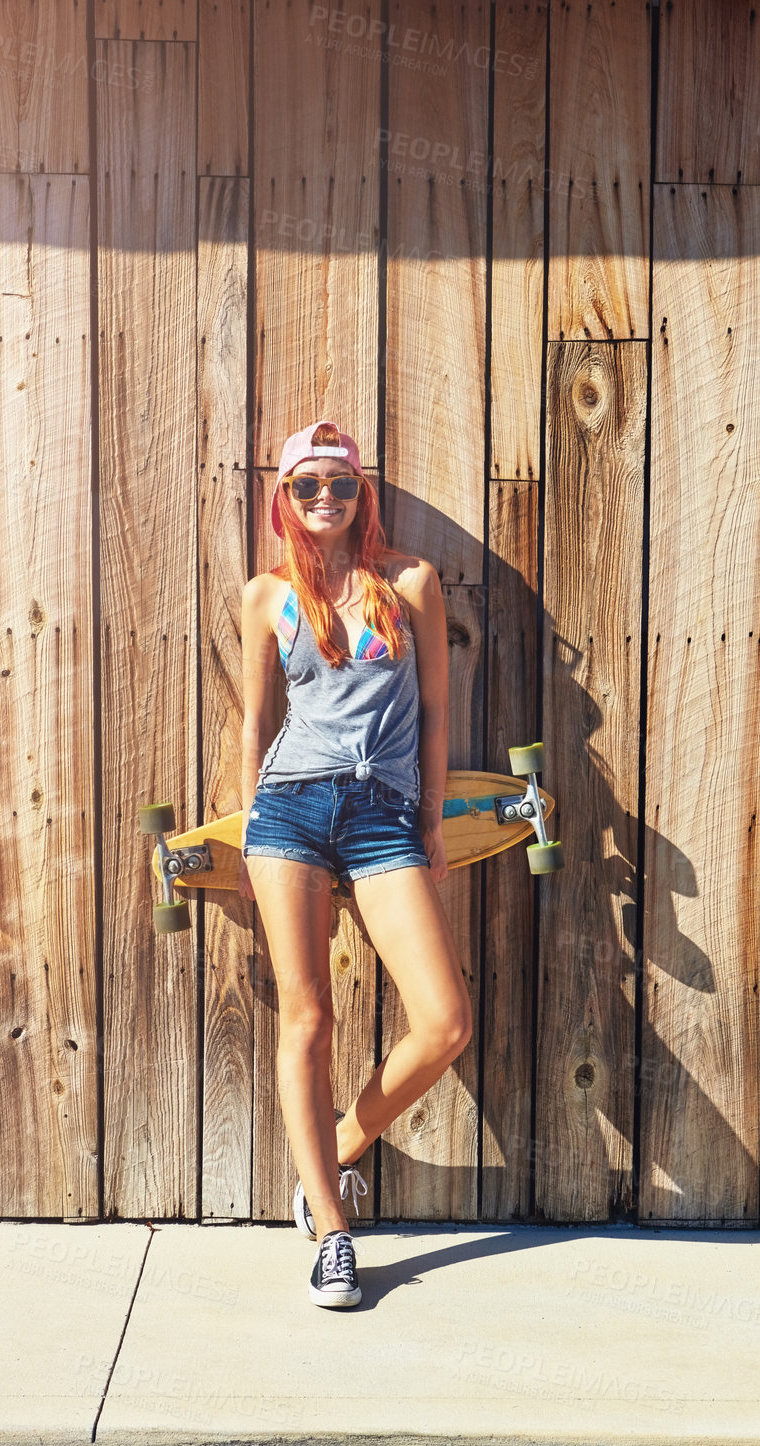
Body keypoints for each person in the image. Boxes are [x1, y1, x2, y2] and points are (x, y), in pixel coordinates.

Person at [238, 420, 472, 1311]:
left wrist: (433, 821)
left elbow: (438, 711)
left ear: (360, 490)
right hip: (289, 811)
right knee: (310, 1018)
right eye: (307, 485)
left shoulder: (409, 583)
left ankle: (332, 1150)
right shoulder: (267, 596)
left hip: (383, 816)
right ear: (286, 499)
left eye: (339, 481)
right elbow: (256, 726)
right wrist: (244, 818)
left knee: (445, 1021)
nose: (324, 496)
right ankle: (333, 1235)